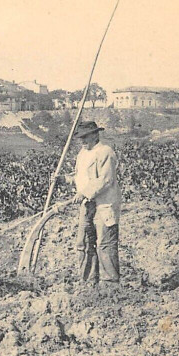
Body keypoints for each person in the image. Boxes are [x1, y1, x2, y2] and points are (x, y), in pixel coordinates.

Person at [66, 120, 121, 284]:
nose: (82, 141)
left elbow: (105, 180)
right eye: (80, 137)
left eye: (85, 137)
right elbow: (81, 177)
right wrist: (64, 179)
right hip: (87, 205)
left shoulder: (105, 152)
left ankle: (110, 285)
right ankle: (89, 281)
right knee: (84, 243)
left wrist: (84, 192)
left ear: (95, 135)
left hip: (104, 204)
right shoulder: (82, 154)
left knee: (105, 244)